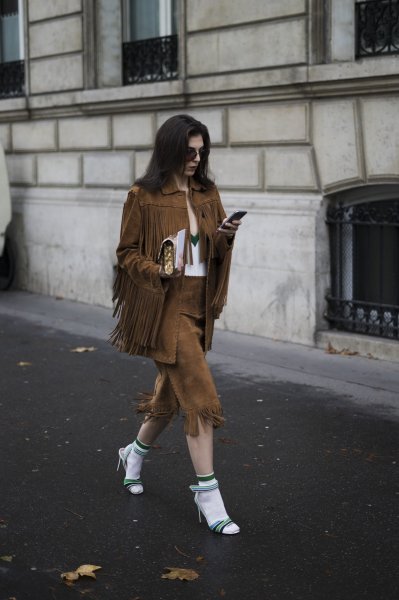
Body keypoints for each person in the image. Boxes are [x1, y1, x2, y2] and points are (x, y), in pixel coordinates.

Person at [111, 114, 242, 535]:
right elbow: (126, 252)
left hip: (200, 304)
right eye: (189, 151)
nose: (196, 158)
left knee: (172, 396)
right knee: (200, 395)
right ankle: (208, 494)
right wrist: (157, 271)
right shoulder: (143, 196)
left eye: (201, 151)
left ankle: (133, 453)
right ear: (169, 149)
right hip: (166, 307)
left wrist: (226, 234)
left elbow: (214, 249)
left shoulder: (207, 191)